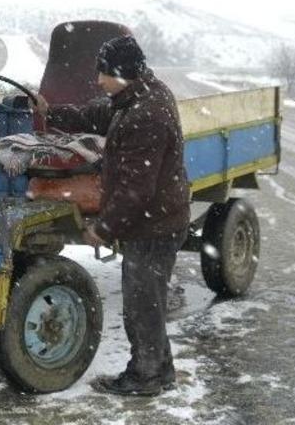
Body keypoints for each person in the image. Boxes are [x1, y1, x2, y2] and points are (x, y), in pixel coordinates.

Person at [33, 36, 191, 396]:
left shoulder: (146, 113)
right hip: (157, 218)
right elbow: (94, 114)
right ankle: (160, 371)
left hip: (155, 224)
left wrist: (102, 229)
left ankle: (146, 377)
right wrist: (50, 111)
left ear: (124, 73)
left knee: (142, 306)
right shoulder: (135, 97)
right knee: (146, 300)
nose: (99, 81)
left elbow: (137, 190)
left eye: (104, 75)